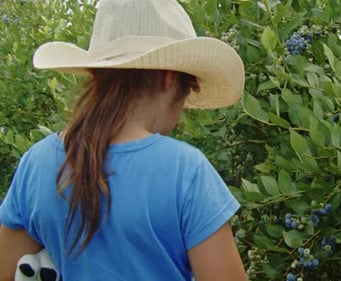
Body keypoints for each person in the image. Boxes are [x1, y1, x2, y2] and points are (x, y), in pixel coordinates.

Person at [0, 0, 247, 280]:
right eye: (187, 90)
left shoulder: (38, 162)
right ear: (169, 79)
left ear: (95, 73)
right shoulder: (185, 170)